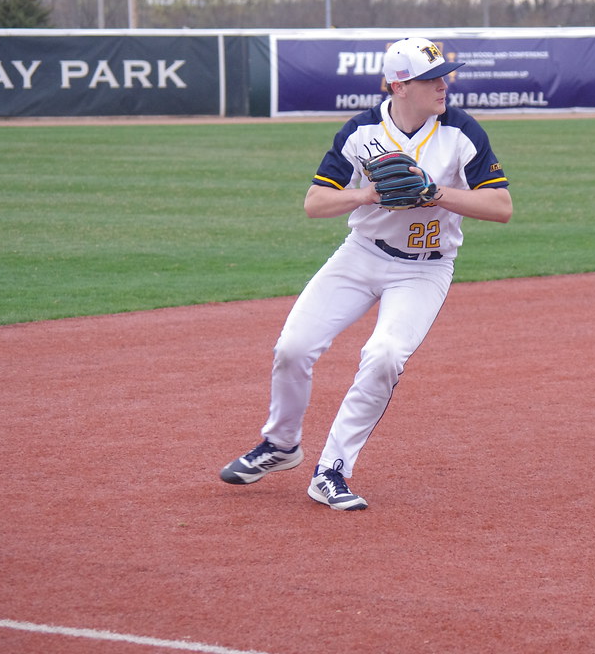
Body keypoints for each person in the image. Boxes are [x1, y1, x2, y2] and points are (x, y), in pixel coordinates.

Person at [219, 37, 513, 510]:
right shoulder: (361, 131)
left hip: (424, 269)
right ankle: (281, 445)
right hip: (361, 255)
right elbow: (315, 203)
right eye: (431, 78)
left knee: (384, 355)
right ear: (400, 86)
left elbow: (501, 207)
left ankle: (331, 469)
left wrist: (435, 193)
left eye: (444, 75)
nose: (444, 85)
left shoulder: (462, 131)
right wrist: (367, 195)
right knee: (292, 348)